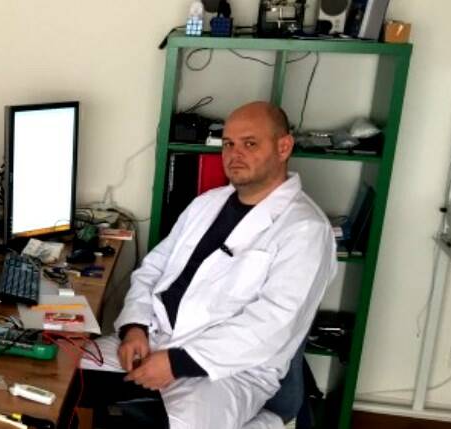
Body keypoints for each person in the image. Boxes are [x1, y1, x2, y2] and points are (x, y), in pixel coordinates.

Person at [110, 101, 337, 428]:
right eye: (228, 143)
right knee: (64, 378)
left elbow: (273, 324)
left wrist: (178, 362)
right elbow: (152, 269)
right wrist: (135, 327)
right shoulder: (207, 204)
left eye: (250, 143)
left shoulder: (305, 230)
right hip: (153, 341)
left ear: (283, 147)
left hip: (229, 372)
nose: (234, 154)